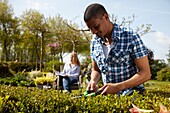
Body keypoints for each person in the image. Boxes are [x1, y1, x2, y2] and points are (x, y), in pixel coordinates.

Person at [83, 3, 151, 95]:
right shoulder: (94, 42)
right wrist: (93, 81)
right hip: (108, 97)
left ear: (105, 17)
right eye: (90, 29)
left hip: (132, 93)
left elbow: (146, 73)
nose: (93, 32)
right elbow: (96, 70)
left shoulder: (130, 36)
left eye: (96, 26)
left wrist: (119, 86)